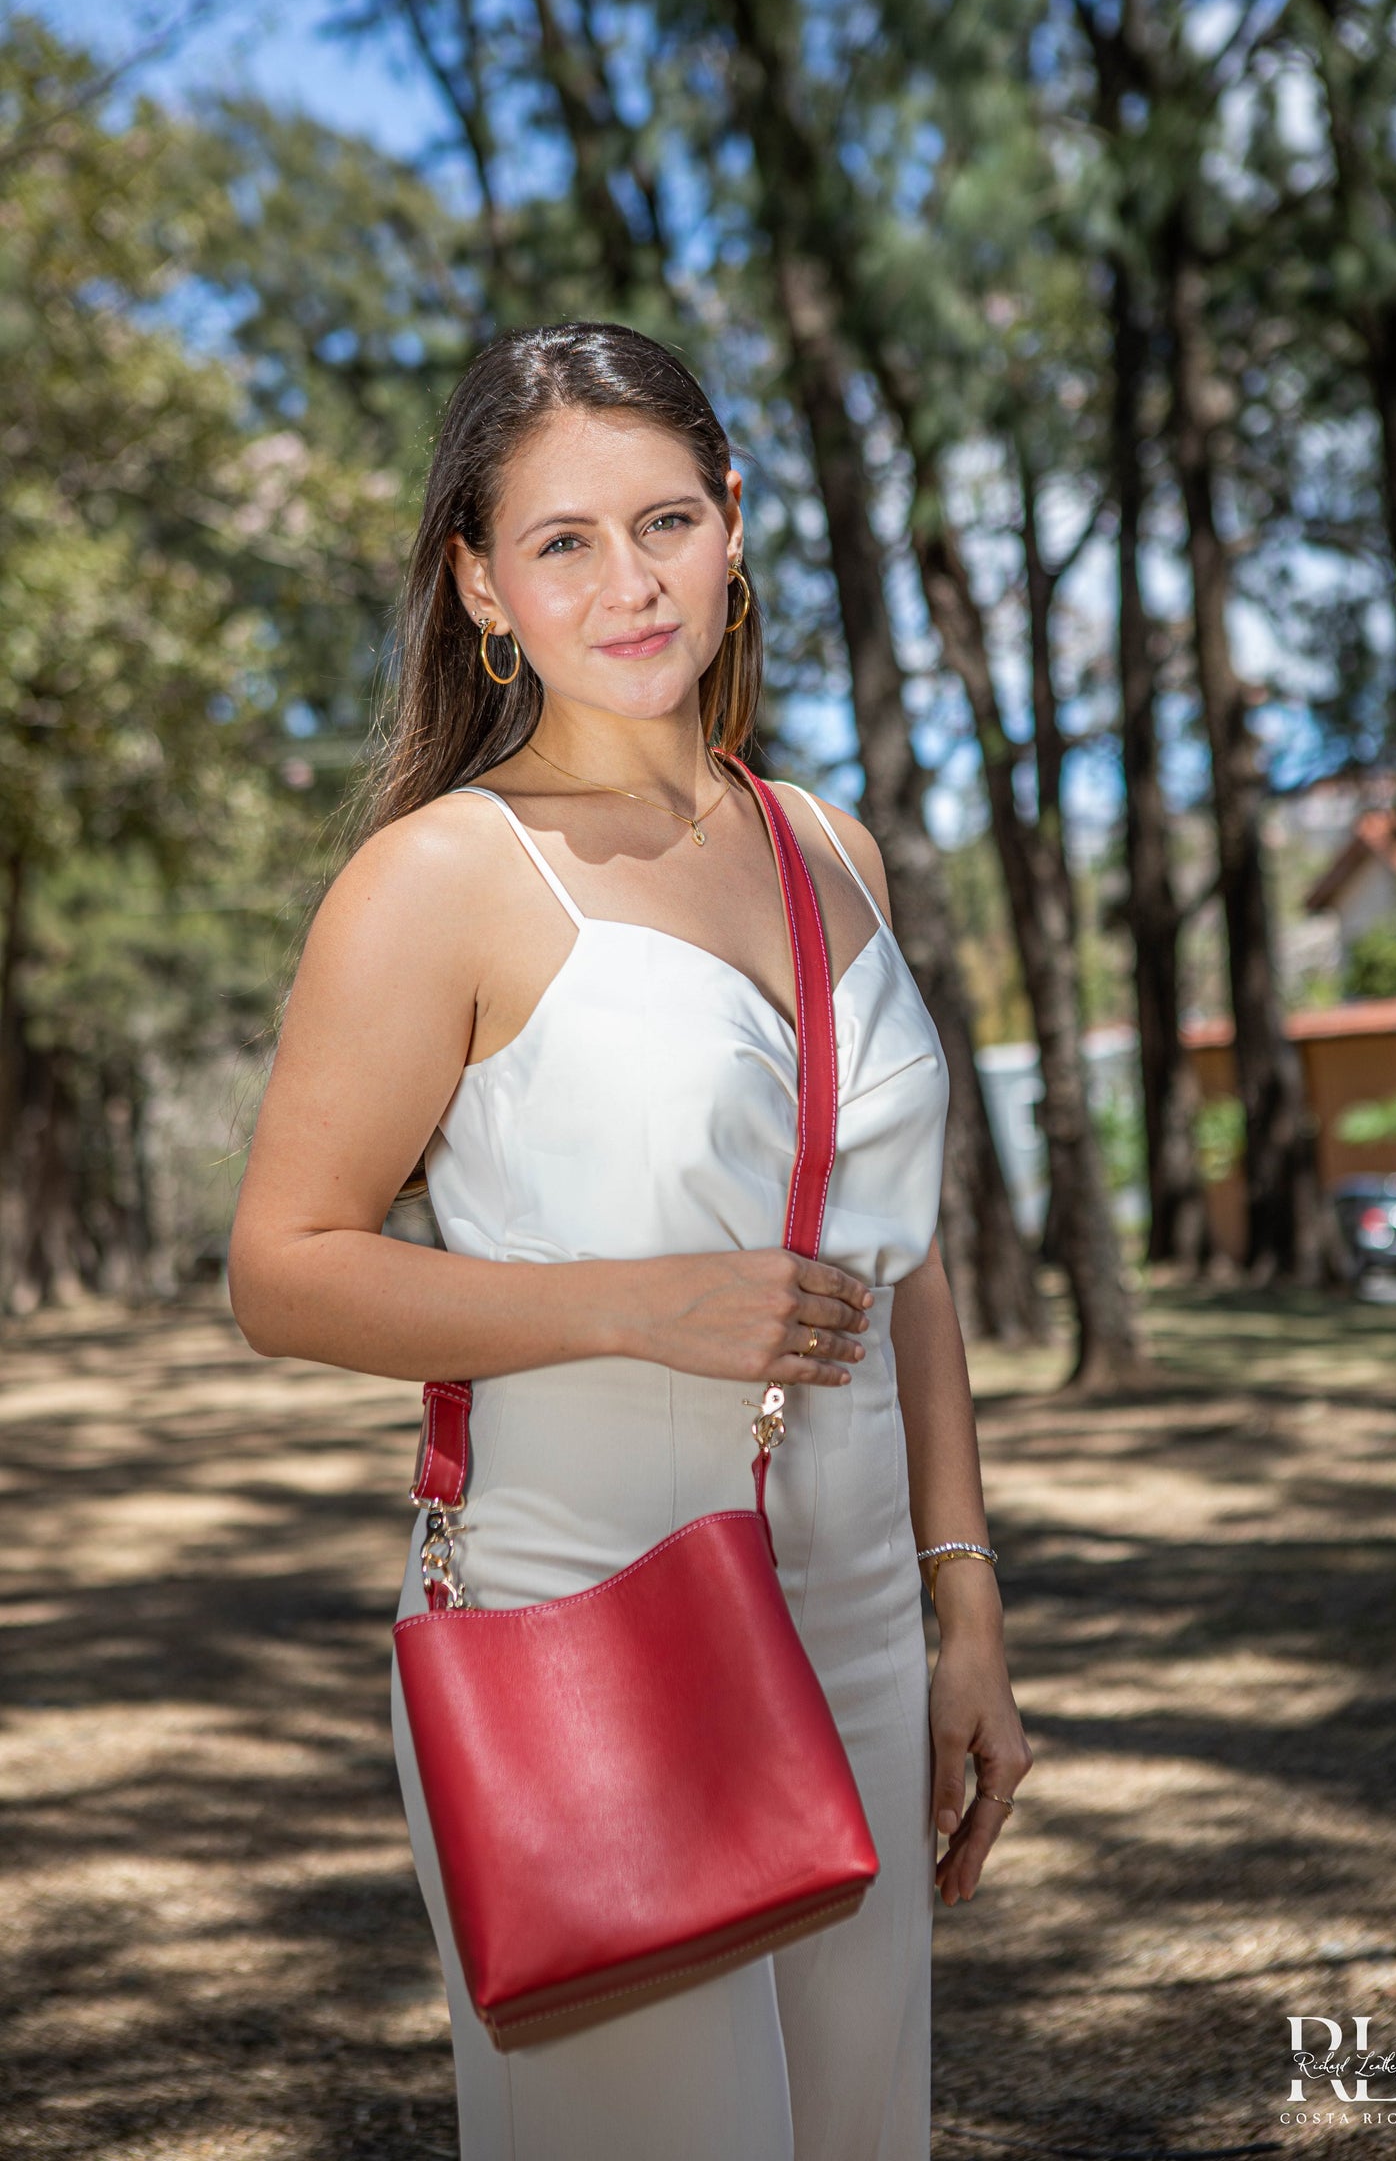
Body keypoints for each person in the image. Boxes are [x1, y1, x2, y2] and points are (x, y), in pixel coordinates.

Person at [227, 319, 1032, 2161]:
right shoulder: (443, 879)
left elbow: (895, 1271)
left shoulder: (825, 843)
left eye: (663, 519)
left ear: (734, 521)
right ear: (479, 584)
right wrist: (636, 1307)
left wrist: (960, 1598)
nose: (626, 581)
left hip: (850, 1633)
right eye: (561, 541)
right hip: (582, 1626)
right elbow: (283, 1264)